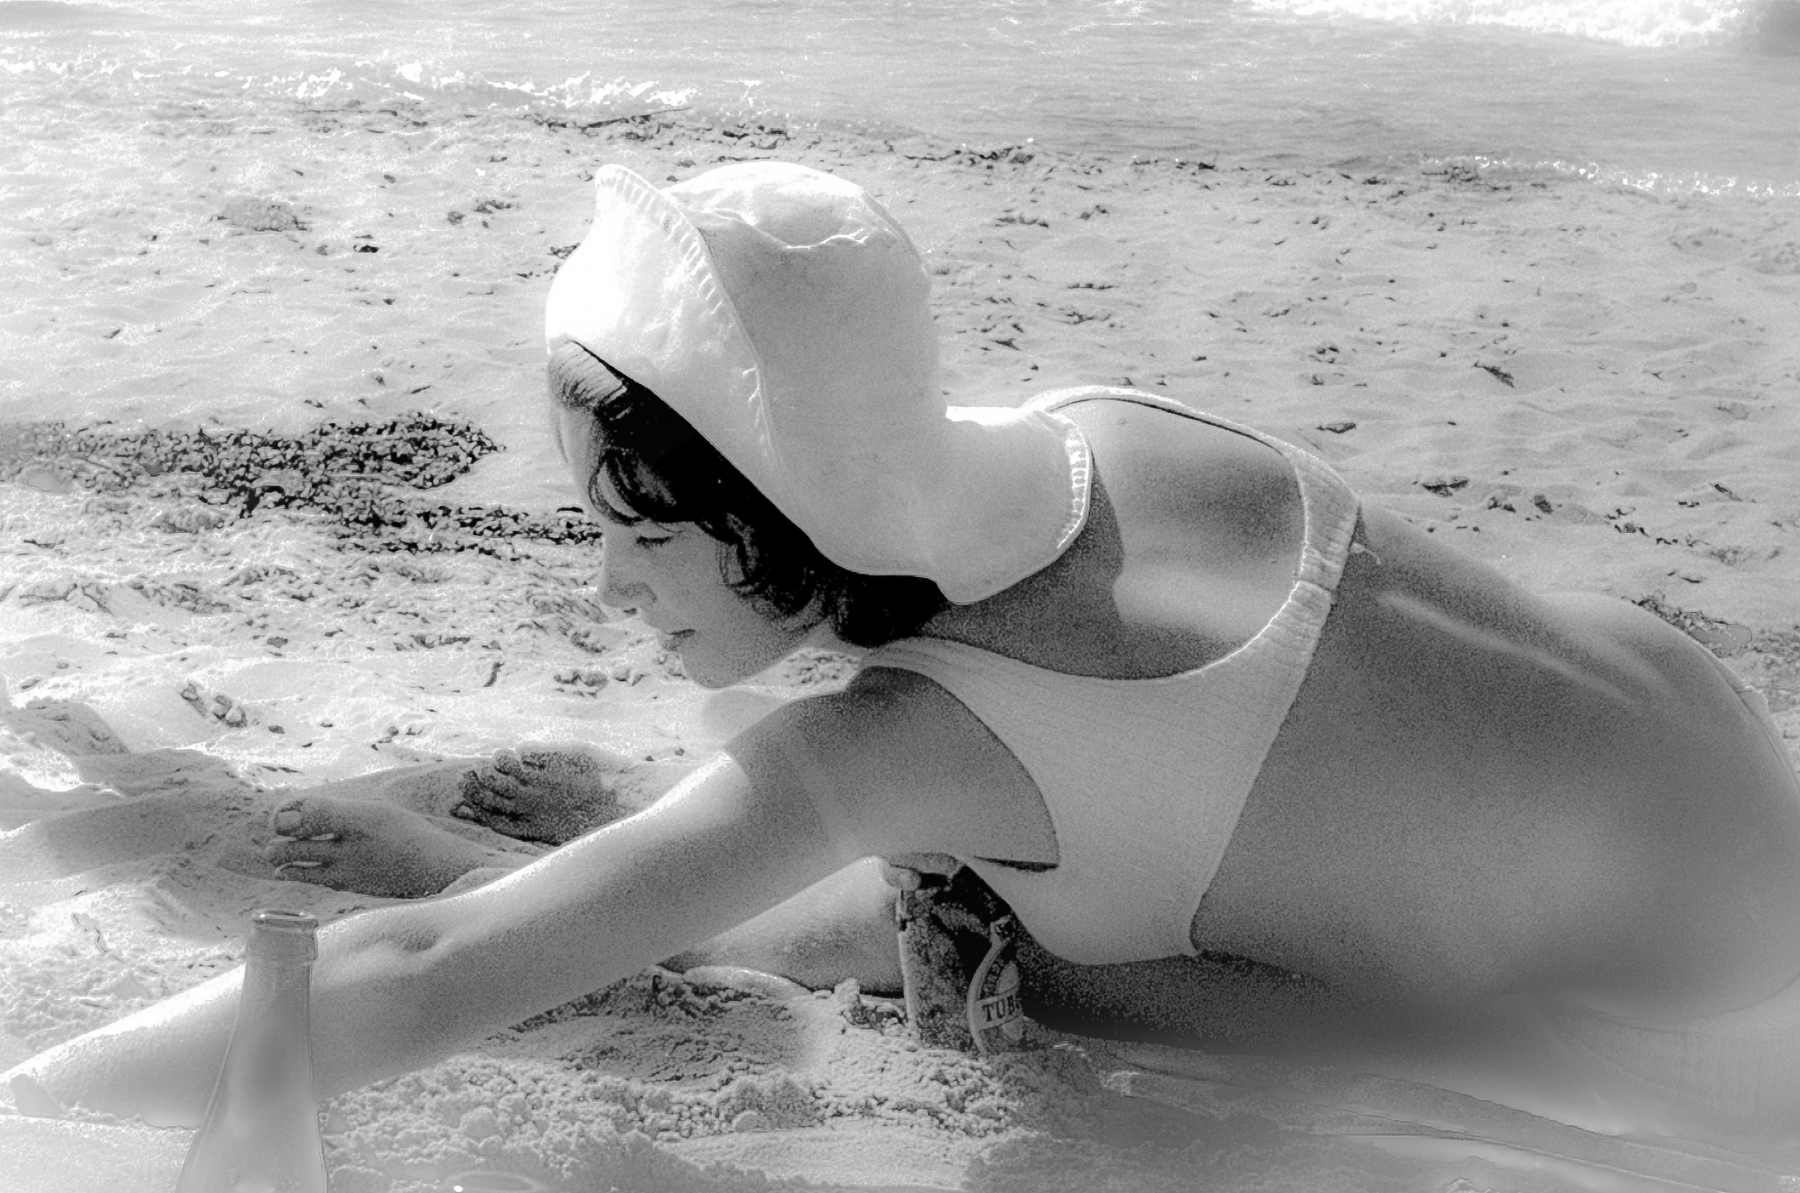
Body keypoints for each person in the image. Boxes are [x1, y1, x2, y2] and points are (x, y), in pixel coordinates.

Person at [8, 160, 1800, 1148]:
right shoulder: (1106, 428)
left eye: (642, 532)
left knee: (976, 944)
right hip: (1709, 768)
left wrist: (34, 1106)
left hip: (1699, 1025)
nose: (610, 586)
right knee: (1003, 868)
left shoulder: (911, 741)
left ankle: (645, 877)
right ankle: (674, 864)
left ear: (769, 500)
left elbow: (413, 972)